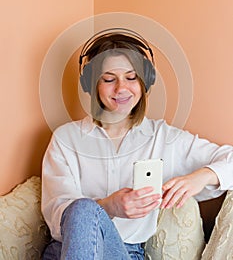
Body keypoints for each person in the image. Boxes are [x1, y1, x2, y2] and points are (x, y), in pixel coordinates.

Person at [41, 28, 233, 260]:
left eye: (131, 77)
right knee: (81, 209)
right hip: (63, 252)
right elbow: (57, 215)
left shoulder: (164, 138)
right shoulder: (66, 139)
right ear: (91, 84)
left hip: (122, 252)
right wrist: (109, 206)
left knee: (83, 208)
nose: (121, 88)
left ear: (145, 82)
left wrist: (201, 176)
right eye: (109, 79)